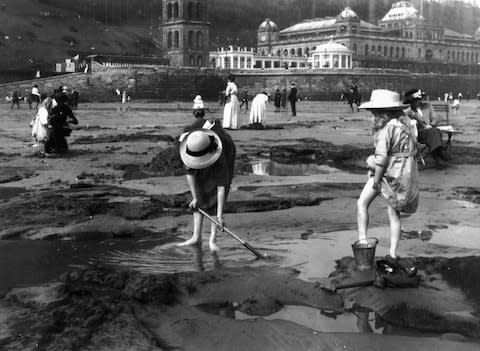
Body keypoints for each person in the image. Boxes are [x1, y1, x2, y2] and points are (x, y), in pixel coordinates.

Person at [357, 89, 419, 276]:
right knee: (394, 212)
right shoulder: (405, 125)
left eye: (375, 111)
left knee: (362, 203)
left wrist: (376, 180)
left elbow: (381, 159)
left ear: (382, 111)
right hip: (405, 172)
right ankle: (392, 253)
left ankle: (363, 243)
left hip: (387, 172)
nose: (372, 114)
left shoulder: (386, 129)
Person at [177, 120, 236, 252]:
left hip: (225, 153)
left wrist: (220, 216)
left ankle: (213, 240)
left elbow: (221, 188)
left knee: (213, 196)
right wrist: (194, 197)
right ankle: (196, 236)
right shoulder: (189, 144)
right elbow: (190, 173)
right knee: (200, 192)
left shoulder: (221, 152)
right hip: (199, 147)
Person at [403, 88, 449, 169]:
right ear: (411, 101)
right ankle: (441, 153)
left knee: (434, 132)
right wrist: (414, 115)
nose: (418, 101)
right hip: (417, 133)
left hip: (430, 130)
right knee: (435, 132)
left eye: (419, 99)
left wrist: (431, 125)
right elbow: (409, 124)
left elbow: (435, 118)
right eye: (416, 100)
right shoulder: (408, 111)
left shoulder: (428, 106)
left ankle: (438, 158)